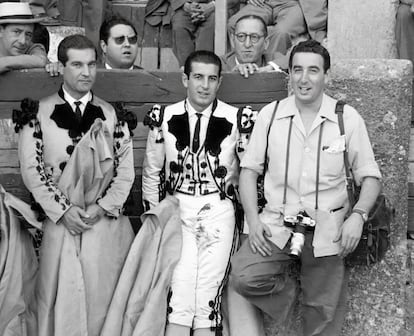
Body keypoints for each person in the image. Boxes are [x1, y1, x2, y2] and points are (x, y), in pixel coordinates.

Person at [229, 40, 382, 335]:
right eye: (297, 70)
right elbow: (248, 172)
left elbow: (370, 178)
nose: (304, 78)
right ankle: (296, 294)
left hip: (328, 228)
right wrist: (253, 218)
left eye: (313, 70)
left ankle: (315, 299)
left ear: (326, 75)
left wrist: (358, 217)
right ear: (289, 74)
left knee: (324, 317)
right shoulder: (271, 115)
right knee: (244, 276)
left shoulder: (345, 118)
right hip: (277, 223)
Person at [17, 34, 135, 336]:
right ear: (62, 66)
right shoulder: (38, 112)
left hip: (101, 220)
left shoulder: (111, 114)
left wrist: (101, 207)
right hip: (61, 220)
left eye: (92, 64)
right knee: (57, 298)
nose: (86, 72)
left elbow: (124, 172)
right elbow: (33, 169)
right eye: (78, 65)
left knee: (101, 298)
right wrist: (64, 210)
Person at [142, 50, 252, 336]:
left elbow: (250, 177)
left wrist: (250, 225)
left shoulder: (237, 117)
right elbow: (152, 172)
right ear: (185, 79)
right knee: (179, 291)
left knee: (208, 292)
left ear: (219, 82)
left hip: (219, 211)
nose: (204, 85)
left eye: (212, 79)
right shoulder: (164, 116)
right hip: (177, 209)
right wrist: (154, 220)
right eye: (198, 77)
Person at [145, 0, 239, 67]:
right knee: (179, 26)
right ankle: (186, 69)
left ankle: (204, 67)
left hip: (216, 7)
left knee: (213, 24)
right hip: (185, 7)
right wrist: (184, 5)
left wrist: (212, 6)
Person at [228, 0, 328, 57]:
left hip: (291, 4)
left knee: (281, 32)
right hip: (262, 3)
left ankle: (269, 72)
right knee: (234, 24)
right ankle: (240, 69)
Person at [221, 14, 288, 78]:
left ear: (266, 43)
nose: (247, 44)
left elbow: (291, 59)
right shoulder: (221, 65)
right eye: (241, 36)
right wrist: (232, 75)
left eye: (254, 37)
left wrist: (270, 67)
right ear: (233, 41)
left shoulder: (274, 59)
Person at [0, 2, 48, 74]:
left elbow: (41, 60)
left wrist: (4, 63)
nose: (23, 41)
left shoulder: (32, 48)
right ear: (0, 31)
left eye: (28, 34)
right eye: (17, 32)